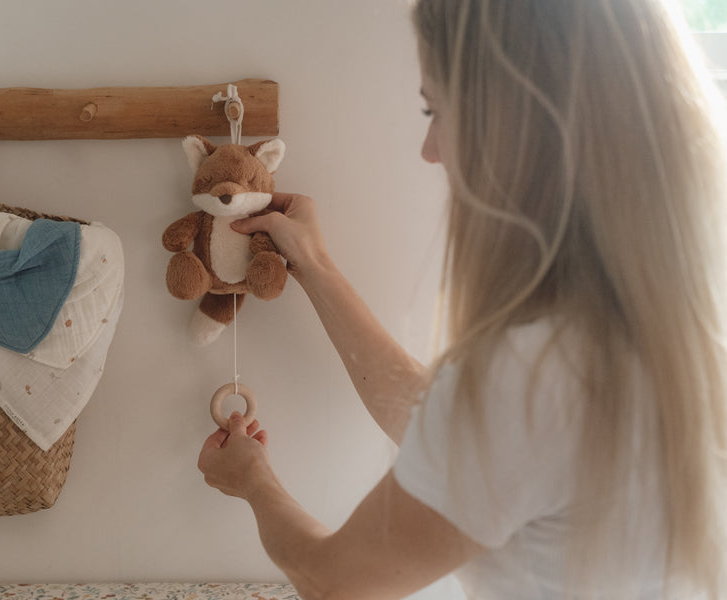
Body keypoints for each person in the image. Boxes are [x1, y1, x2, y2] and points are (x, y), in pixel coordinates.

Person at [197, 0, 727, 598]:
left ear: (515, 127)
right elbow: (452, 429)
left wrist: (253, 481)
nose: (430, 149)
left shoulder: (531, 372)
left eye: (436, 108)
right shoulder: (670, 323)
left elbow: (334, 582)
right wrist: (315, 266)